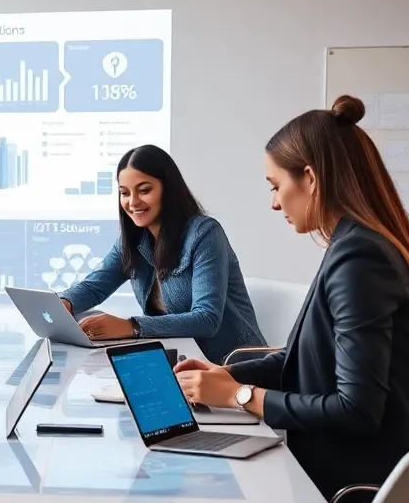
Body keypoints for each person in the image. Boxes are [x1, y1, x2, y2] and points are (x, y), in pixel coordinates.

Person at [55, 96, 409, 503]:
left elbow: (355, 408)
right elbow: (300, 357)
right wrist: (225, 372)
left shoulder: (360, 261)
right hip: (367, 500)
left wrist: (240, 396)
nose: (272, 203)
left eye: (275, 185)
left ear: (309, 179)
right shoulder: (358, 247)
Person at [58, 144, 265, 363]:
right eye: (124, 193)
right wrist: (65, 303)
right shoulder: (133, 241)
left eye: (144, 190)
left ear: (168, 189)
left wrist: (131, 326)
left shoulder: (204, 234)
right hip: (182, 365)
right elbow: (93, 287)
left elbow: (207, 319)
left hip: (236, 367)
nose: (133, 202)